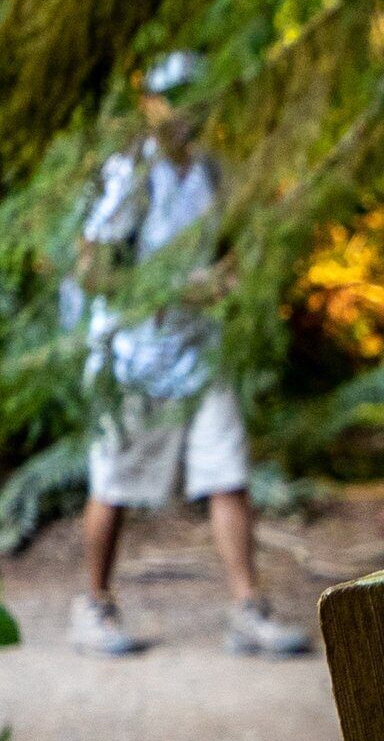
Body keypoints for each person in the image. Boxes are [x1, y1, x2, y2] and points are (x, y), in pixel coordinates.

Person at [69, 51, 308, 657]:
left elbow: (233, 252)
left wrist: (230, 280)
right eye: (174, 97)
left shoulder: (212, 174)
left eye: (197, 95)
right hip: (131, 356)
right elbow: (91, 269)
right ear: (150, 103)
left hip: (200, 350)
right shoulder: (131, 175)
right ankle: (93, 604)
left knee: (227, 473)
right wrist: (179, 289)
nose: (187, 110)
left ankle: (247, 609)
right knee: (115, 485)